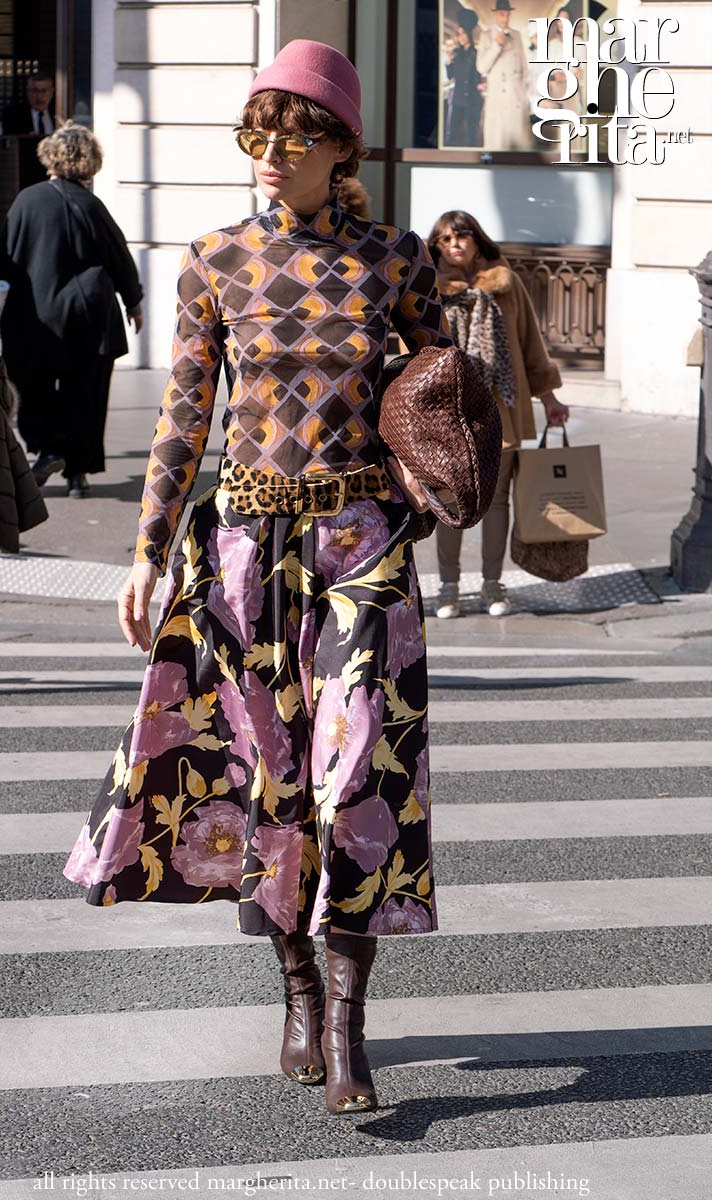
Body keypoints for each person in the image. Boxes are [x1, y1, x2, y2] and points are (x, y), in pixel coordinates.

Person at [63, 39, 452, 1116]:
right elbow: (183, 421)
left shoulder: (396, 258)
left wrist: (439, 461)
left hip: (359, 546)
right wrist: (147, 552)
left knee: (361, 773)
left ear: (339, 146)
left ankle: (345, 1022)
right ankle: (292, 991)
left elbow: (440, 388)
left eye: (293, 133)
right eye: (257, 134)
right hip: (242, 549)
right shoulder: (215, 259)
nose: (269, 153)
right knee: (268, 779)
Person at [0, 122, 143, 498]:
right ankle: (77, 474)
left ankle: (47, 446)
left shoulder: (27, 200)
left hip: (35, 317)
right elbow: (119, 258)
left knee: (32, 386)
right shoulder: (93, 205)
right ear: (90, 163)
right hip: (90, 315)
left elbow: (4, 262)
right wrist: (133, 302)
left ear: (50, 158)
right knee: (85, 392)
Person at [426, 209, 568, 617]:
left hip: (501, 408)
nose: (454, 245)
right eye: (445, 239)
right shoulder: (428, 289)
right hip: (447, 412)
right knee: (451, 500)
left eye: (462, 236)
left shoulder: (507, 284)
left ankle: (492, 584)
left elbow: (530, 345)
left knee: (497, 501)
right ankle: (449, 588)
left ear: (477, 240)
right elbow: (414, 353)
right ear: (436, 245)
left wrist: (550, 399)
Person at [475, 0, 531, 150]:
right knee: (498, 144)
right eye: (501, 14)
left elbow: (524, 66)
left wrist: (525, 95)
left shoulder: (517, 35)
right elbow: (481, 68)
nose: (505, 18)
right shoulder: (486, 36)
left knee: (519, 146)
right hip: (498, 99)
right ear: (495, 15)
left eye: (507, 14)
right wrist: (496, 46)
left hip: (516, 99)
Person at [2, 72, 58, 190]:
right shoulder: (13, 114)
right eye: (34, 91)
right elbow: (8, 148)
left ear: (52, 92)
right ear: (27, 92)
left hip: (55, 175)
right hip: (26, 177)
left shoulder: (59, 112)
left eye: (43, 91)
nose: (38, 97)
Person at [444, 23, 482, 146]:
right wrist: (448, 62)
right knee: (451, 134)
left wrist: (481, 85)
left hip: (472, 99)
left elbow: (479, 75)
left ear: (468, 34)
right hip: (456, 99)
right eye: (459, 34)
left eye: (463, 33)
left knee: (472, 135)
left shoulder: (477, 53)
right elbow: (450, 76)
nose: (461, 37)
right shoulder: (456, 53)